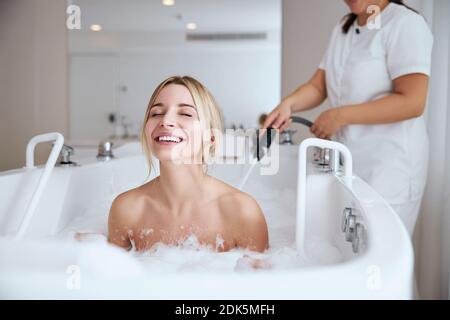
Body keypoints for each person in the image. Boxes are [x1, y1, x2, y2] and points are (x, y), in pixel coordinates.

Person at [262, 0, 433, 236]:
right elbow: (318, 86)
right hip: (351, 166)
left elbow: (413, 102)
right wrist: (288, 104)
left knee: (382, 257)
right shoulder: (344, 27)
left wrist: (340, 116)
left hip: (390, 169)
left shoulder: (405, 24)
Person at [108, 76, 268, 252]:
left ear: (211, 138)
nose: (165, 121)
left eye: (185, 113)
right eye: (156, 113)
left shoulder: (242, 213)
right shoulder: (126, 210)